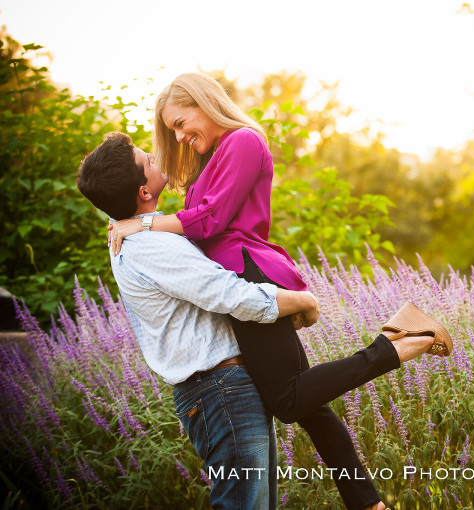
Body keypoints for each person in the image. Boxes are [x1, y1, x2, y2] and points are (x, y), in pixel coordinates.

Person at [108, 73, 454, 510]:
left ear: (203, 102)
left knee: (288, 400)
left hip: (246, 272)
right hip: (236, 274)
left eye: (180, 122)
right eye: (172, 130)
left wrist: (137, 223)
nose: (178, 135)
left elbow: (210, 221)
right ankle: (367, 502)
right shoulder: (212, 157)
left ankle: (394, 343)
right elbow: (195, 221)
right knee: (308, 405)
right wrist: (138, 223)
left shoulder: (243, 142)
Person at [76, 132, 323, 509]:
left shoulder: (138, 231)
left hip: (221, 388)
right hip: (220, 390)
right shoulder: (151, 246)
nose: (157, 157)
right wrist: (300, 300)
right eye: (149, 159)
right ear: (144, 191)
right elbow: (228, 294)